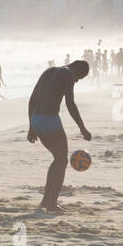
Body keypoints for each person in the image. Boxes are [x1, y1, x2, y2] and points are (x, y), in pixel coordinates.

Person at [27, 60, 92, 213]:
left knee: (58, 158)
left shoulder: (48, 71)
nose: (76, 81)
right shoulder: (68, 74)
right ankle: (52, 204)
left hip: (36, 118)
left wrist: (31, 125)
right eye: (79, 78)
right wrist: (82, 128)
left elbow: (32, 99)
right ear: (78, 70)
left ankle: (46, 200)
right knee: (62, 160)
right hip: (50, 119)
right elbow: (70, 103)